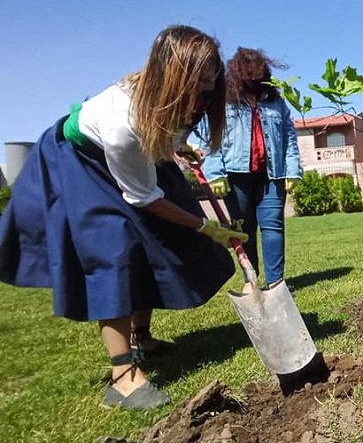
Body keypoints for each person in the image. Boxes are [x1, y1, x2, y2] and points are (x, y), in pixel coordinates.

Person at [0, 25, 248, 410]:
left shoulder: (175, 102)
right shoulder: (124, 124)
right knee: (114, 250)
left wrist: (180, 146)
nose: (208, 86)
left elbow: (164, 129)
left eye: (211, 77)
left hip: (137, 157)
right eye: (198, 79)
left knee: (160, 240)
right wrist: (204, 226)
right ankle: (122, 377)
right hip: (80, 160)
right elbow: (145, 198)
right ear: (170, 74)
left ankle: (143, 338)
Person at [201, 47, 303, 289]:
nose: (256, 84)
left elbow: (289, 135)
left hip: (272, 174)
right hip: (236, 178)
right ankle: (252, 281)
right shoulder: (223, 102)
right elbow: (211, 135)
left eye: (260, 79)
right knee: (243, 230)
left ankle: (277, 283)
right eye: (250, 80)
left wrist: (293, 168)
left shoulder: (276, 102)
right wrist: (214, 173)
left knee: (273, 226)